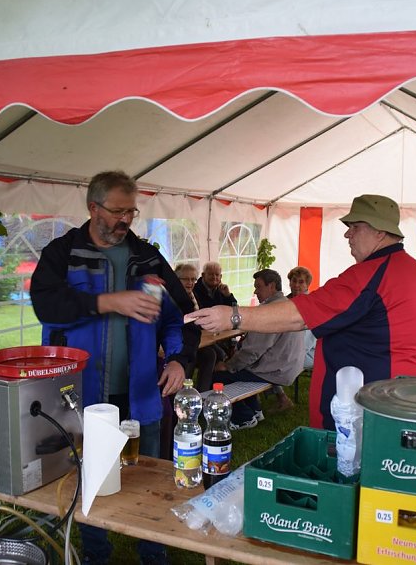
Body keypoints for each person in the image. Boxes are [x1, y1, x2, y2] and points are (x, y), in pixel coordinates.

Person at [30, 170, 199, 565]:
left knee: (149, 477)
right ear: (93, 207)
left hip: (143, 393)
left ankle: (153, 550)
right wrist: (108, 302)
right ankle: (96, 552)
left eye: (132, 212)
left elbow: (183, 318)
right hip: (82, 396)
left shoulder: (148, 258)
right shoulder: (62, 253)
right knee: (93, 477)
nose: (125, 220)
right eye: (117, 211)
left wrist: (179, 359)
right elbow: (47, 306)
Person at [189, 194, 416, 430]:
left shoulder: (368, 276)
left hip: (372, 410)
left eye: (354, 227)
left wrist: (232, 316)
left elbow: (298, 315)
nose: (348, 235)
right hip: (413, 400)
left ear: (379, 232)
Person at [211, 269, 305, 429]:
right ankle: (255, 410)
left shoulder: (269, 312)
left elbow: (252, 351)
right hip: (290, 367)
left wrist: (228, 365)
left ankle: (243, 417)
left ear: (272, 286)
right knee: (244, 370)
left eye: (259, 287)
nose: (255, 291)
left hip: (276, 371)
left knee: (219, 377)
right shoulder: (287, 304)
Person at [175, 263, 218, 392]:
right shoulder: (173, 298)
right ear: (177, 280)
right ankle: (182, 394)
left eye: (193, 279)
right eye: (186, 279)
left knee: (210, 354)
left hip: (194, 341)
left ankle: (202, 394)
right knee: (191, 356)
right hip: (176, 346)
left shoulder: (194, 296)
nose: (191, 282)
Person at [287, 266, 317, 372]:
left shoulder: (310, 306)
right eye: (294, 281)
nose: (296, 285)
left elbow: (306, 343)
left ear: (307, 285)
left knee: (274, 361)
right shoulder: (285, 302)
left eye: (301, 282)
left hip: (307, 353)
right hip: (287, 349)